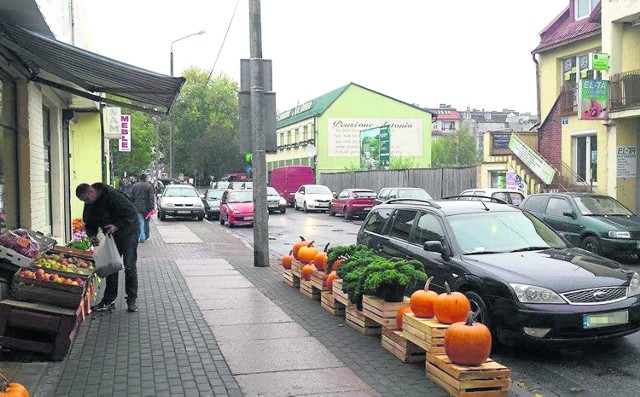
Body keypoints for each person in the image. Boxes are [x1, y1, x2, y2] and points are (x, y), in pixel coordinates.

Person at [76, 182, 140, 313]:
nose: (86, 202)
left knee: (129, 264)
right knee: (111, 264)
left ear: (91, 192)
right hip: (112, 233)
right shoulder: (90, 203)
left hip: (129, 231)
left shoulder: (113, 196)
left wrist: (117, 226)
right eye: (83, 201)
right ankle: (108, 299)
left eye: (86, 199)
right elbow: (89, 222)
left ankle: (131, 299)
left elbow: (132, 214)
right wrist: (92, 235)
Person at [130, 173, 155, 243]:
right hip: (147, 208)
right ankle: (146, 236)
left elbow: (131, 197)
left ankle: (142, 237)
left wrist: (131, 206)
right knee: (146, 222)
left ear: (139, 178)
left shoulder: (134, 186)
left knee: (140, 222)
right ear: (146, 178)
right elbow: (151, 198)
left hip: (137, 208)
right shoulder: (149, 186)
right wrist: (152, 208)